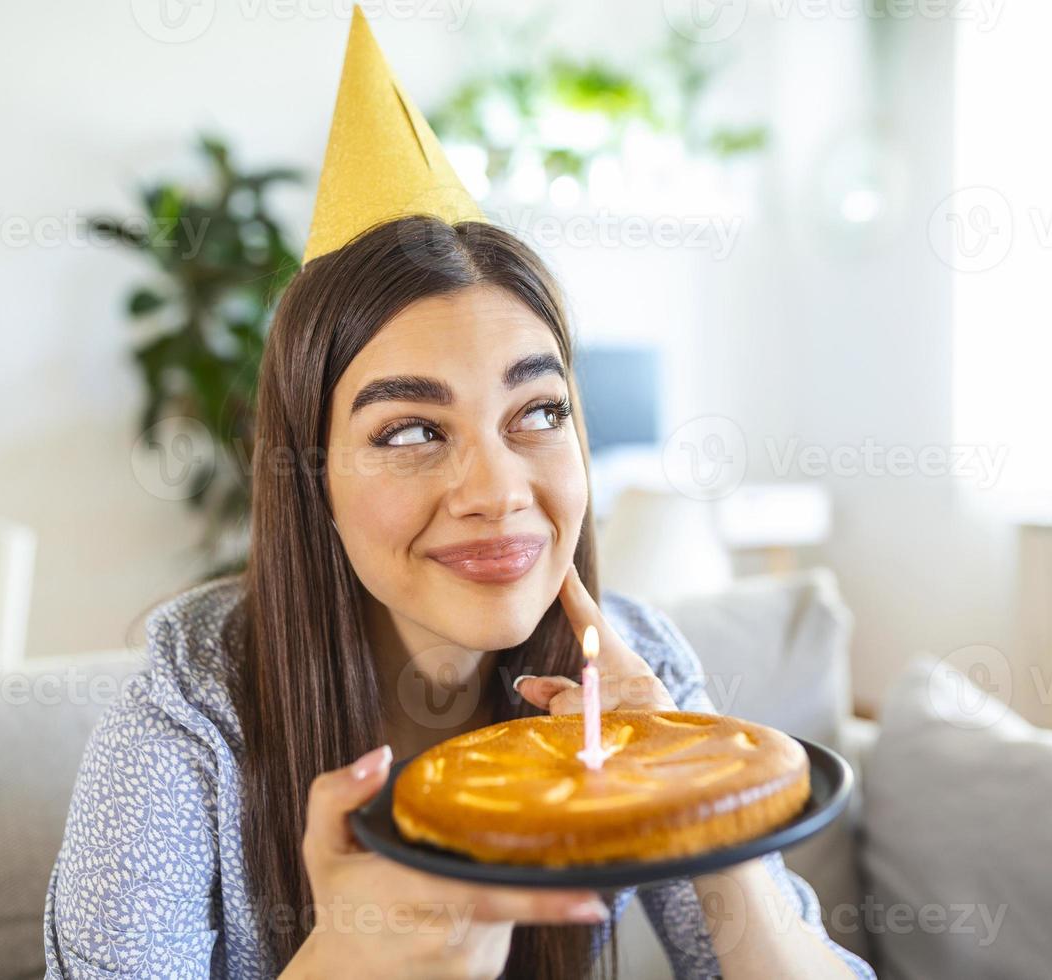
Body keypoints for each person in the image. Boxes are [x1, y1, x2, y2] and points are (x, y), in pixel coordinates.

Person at [45, 10, 876, 979]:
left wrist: (709, 819)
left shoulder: (635, 669)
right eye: (410, 430)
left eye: (537, 412)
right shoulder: (190, 713)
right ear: (310, 479)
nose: (497, 489)